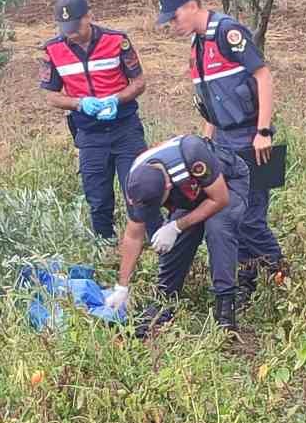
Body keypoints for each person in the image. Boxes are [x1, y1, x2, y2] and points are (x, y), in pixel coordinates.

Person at [154, 0, 283, 302]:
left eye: (174, 17)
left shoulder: (228, 32)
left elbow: (263, 76)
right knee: (231, 217)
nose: (173, 25)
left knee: (251, 219)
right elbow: (212, 104)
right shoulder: (197, 47)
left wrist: (263, 131)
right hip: (223, 141)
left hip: (250, 137)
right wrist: (206, 144)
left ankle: (283, 277)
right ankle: (248, 281)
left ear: (192, 5)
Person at [40, 0, 159, 241]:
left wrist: (117, 99)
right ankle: (105, 248)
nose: (70, 32)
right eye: (65, 28)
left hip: (125, 128)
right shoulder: (53, 50)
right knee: (98, 198)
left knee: (139, 192)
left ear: (89, 17)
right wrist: (79, 103)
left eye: (75, 26)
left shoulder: (117, 41)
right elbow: (50, 96)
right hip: (89, 134)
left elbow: (139, 82)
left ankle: (158, 245)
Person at [104, 133, 250, 331]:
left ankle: (225, 307)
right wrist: (122, 286)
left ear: (167, 186)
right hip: (189, 194)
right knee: (176, 243)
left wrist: (176, 226)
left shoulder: (192, 154)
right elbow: (133, 235)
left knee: (218, 228)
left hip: (226, 183)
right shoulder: (137, 183)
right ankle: (165, 301)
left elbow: (219, 199)